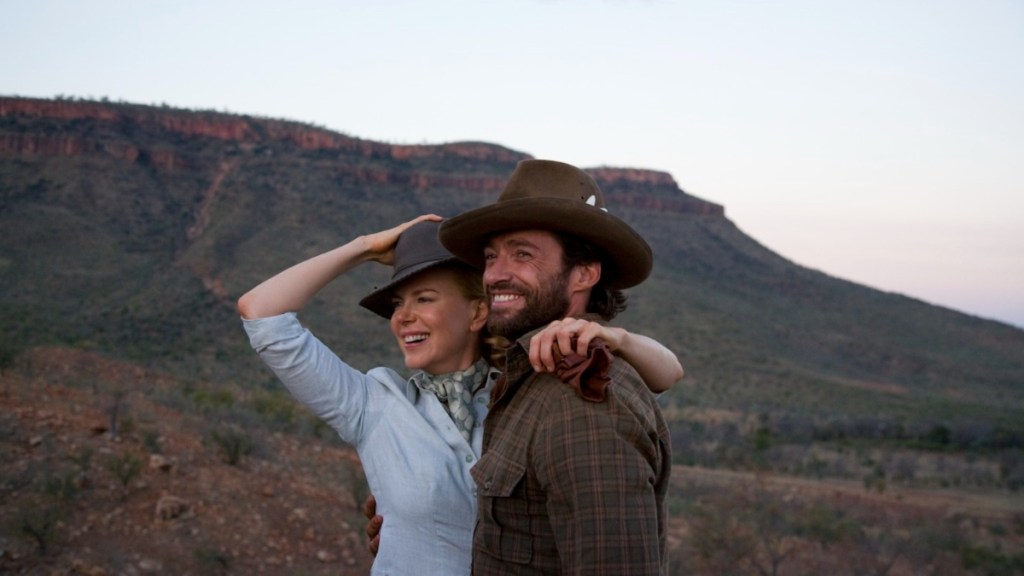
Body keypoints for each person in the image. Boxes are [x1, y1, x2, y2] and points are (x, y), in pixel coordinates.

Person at [237, 215, 682, 574]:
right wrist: (366, 246)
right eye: (397, 305)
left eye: (424, 299)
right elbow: (262, 315)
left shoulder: (521, 391)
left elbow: (665, 374)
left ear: (477, 313)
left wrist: (616, 337)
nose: (403, 317)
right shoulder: (372, 405)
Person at [437, 159, 673, 574]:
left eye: (522, 254)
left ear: (584, 273)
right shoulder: (528, 376)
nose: (494, 275)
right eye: (491, 257)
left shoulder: (585, 400)